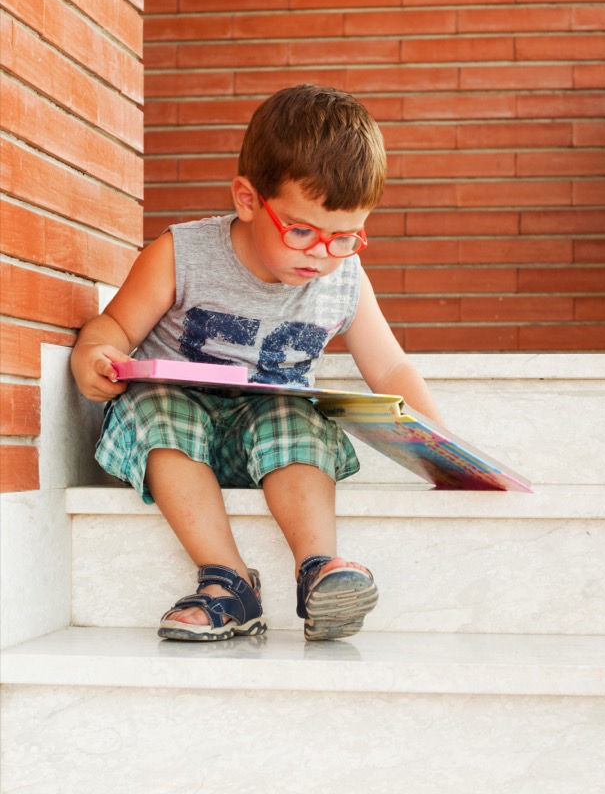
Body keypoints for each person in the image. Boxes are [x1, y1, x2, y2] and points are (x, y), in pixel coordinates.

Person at [71, 84, 443, 643]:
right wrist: (93, 354)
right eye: (302, 231)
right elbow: (115, 327)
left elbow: (389, 371)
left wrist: (439, 449)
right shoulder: (182, 253)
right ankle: (228, 583)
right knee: (157, 409)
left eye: (345, 237)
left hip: (268, 439)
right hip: (174, 437)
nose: (322, 255)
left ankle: (320, 569)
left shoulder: (343, 278)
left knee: (300, 416)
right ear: (248, 200)